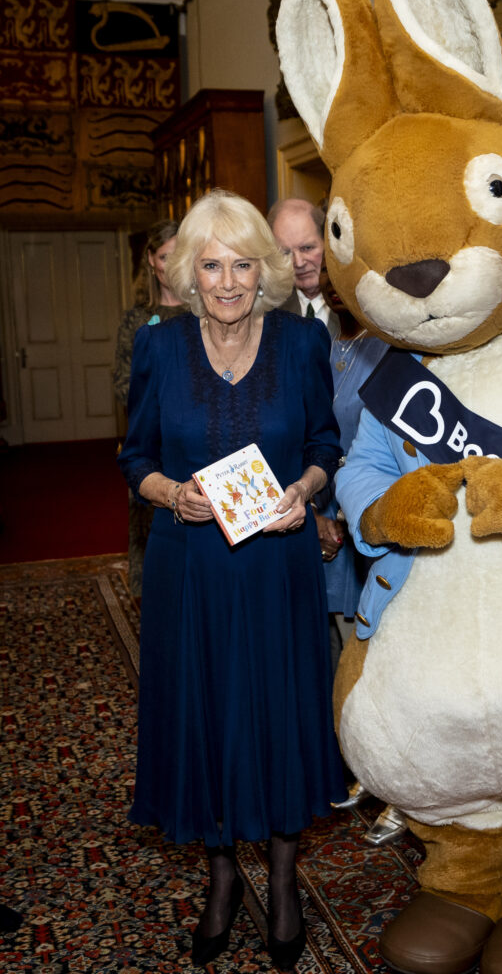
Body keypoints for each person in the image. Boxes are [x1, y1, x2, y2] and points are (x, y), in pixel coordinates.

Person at [117, 189, 345, 970]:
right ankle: (220, 877)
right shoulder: (159, 348)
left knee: (279, 713)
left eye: (242, 264)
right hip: (190, 572)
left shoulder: (300, 344)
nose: (226, 281)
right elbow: (135, 457)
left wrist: (305, 491)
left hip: (278, 566)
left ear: (266, 270)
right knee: (206, 714)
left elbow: (323, 440)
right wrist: (168, 495)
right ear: (186, 271)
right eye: (210, 265)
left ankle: (282, 880)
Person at [312, 279, 407, 847]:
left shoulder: (395, 344)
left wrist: (351, 514)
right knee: (339, 656)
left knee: (383, 658)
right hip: (320, 515)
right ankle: (362, 769)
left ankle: (403, 791)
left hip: (374, 519)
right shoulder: (320, 336)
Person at [113, 219, 186, 599]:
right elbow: (123, 382)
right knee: (148, 528)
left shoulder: (204, 313)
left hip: (189, 440)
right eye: (164, 256)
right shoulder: (137, 319)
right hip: (150, 442)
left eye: (180, 255)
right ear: (152, 262)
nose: (172, 264)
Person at [268, 198, 340, 339]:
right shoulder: (269, 311)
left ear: (327, 243)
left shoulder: (354, 308)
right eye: (286, 253)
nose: (299, 263)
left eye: (307, 248)